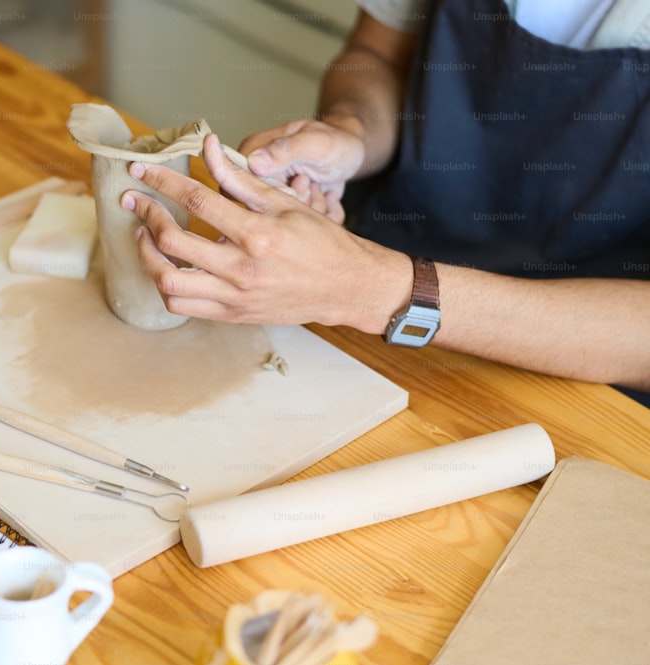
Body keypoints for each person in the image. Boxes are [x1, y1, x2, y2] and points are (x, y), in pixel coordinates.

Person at [121, 0, 650, 404]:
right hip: (372, 282)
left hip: (583, 373)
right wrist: (350, 134)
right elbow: (377, 55)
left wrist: (372, 288)